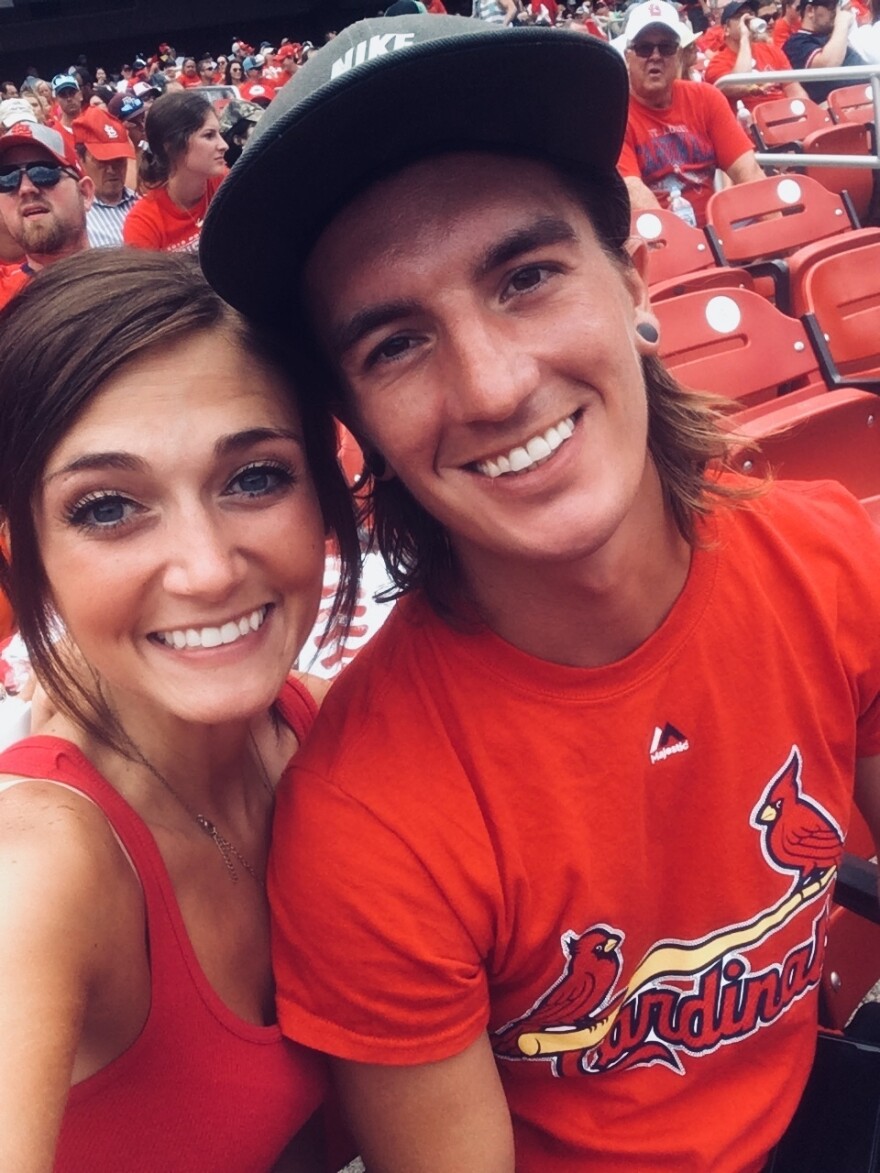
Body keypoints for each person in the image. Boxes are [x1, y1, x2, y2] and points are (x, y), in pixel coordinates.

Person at [200, 12, 880, 1172]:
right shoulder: (364, 826)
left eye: (525, 277)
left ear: (630, 276)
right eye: (395, 345)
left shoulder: (828, 561)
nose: (496, 383)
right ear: (356, 424)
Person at [0, 247, 360, 1172]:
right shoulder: (37, 867)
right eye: (109, 506)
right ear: (26, 550)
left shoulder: (324, 731)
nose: (205, 569)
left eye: (253, 478)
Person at [618, 0, 765, 224]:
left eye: (666, 47)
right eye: (644, 48)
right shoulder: (615, 116)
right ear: (628, 56)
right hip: (659, 238)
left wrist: (785, 240)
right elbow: (637, 197)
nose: (655, 56)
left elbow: (749, 174)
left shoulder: (706, 97)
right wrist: (694, 248)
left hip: (721, 230)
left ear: (678, 54)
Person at [0, 121, 92, 309]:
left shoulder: (136, 284)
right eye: (7, 177)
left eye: (43, 172)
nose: (26, 188)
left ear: (85, 193)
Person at [123, 91, 227, 252]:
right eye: (209, 135)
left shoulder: (225, 183)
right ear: (171, 146)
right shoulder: (144, 223)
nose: (223, 145)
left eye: (219, 134)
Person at [705, 0, 809, 110]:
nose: (747, 19)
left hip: (786, 113)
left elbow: (793, 88)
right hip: (751, 121)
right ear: (726, 29)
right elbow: (740, 84)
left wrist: (806, 115)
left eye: (751, 14)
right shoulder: (717, 64)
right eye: (740, 16)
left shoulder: (770, 50)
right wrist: (744, 38)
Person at [72, 106, 138, 247]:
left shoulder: (144, 203)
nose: (112, 169)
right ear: (80, 158)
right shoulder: (73, 218)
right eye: (102, 161)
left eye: (119, 160)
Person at [783, 0, 865, 102]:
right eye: (831, 7)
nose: (836, 12)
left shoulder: (833, 38)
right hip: (842, 108)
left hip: (868, 97)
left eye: (838, 6)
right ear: (810, 11)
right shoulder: (796, 43)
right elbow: (827, 65)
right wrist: (841, 24)